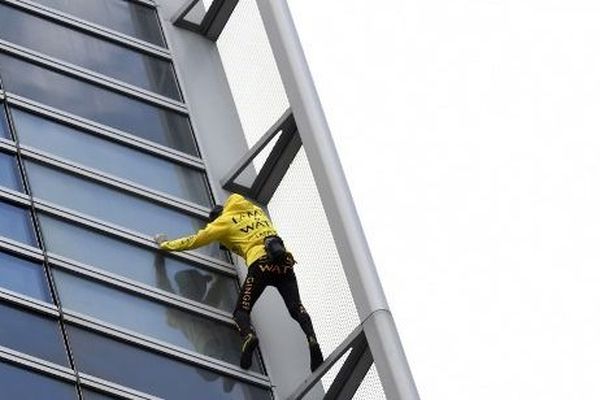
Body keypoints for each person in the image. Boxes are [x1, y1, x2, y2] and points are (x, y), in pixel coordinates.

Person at [154, 193, 324, 372]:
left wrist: (166, 244)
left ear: (216, 219)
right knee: (296, 307)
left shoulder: (224, 222)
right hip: (284, 264)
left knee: (241, 312)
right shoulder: (255, 210)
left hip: (261, 267)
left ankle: (249, 336)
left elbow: (195, 240)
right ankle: (312, 338)